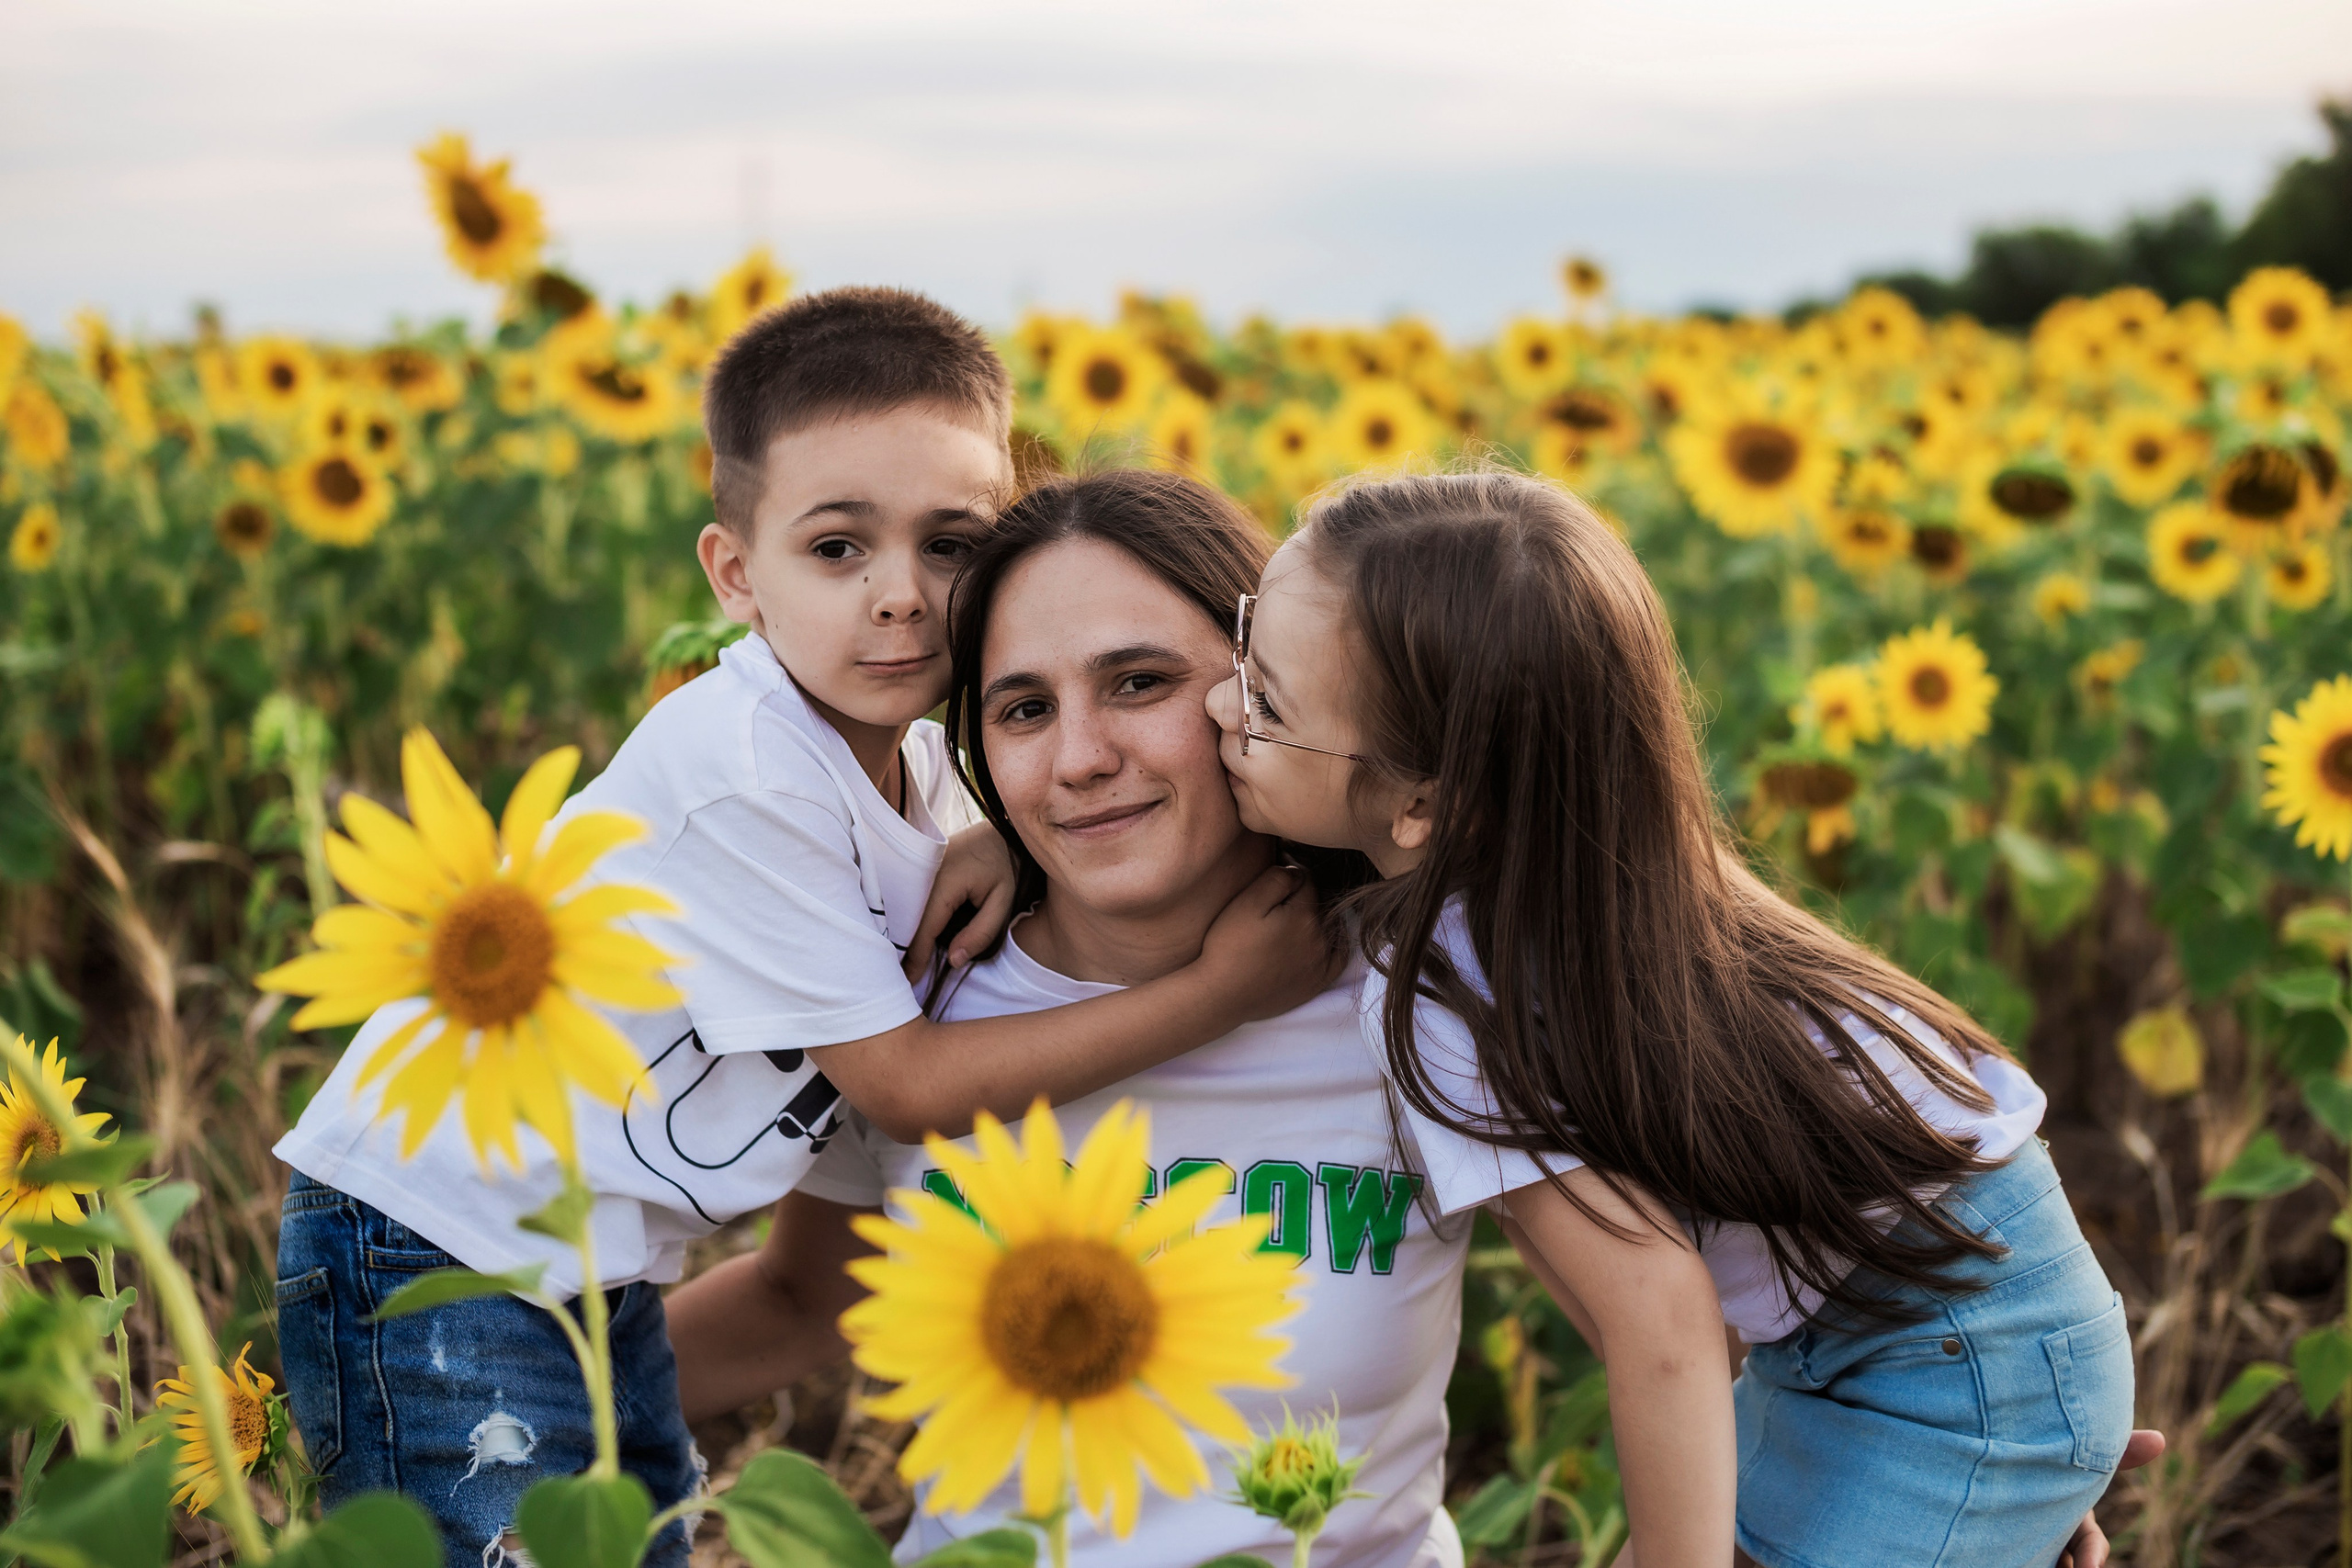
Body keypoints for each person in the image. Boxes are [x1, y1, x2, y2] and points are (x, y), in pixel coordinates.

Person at [270, 297, 1330, 1568]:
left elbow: (947, 830)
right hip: (432, 1242)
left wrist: (994, 832)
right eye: (838, 550)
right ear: (734, 575)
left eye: (951, 544)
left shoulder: (923, 772)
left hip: (580, 1262)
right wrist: (1221, 991)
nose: (901, 597)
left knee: (635, 1537)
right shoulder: (745, 768)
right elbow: (906, 1085)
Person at [1207, 468, 2140, 1568]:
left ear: (1423, 802)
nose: (1222, 705)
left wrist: (2011, 1441)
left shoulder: (1454, 1000)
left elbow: (1656, 1322)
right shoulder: (1605, 876)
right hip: (1917, 1322)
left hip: (1950, 1354)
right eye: (1242, 650)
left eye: (1266, 705)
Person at [666, 470, 1471, 1567]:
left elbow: (1672, 1296)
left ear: (1262, 692)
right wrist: (441, 1399)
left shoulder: (1418, 1002)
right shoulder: (909, 993)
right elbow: (801, 1300)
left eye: (1138, 682)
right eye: (1024, 709)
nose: (1081, 760)